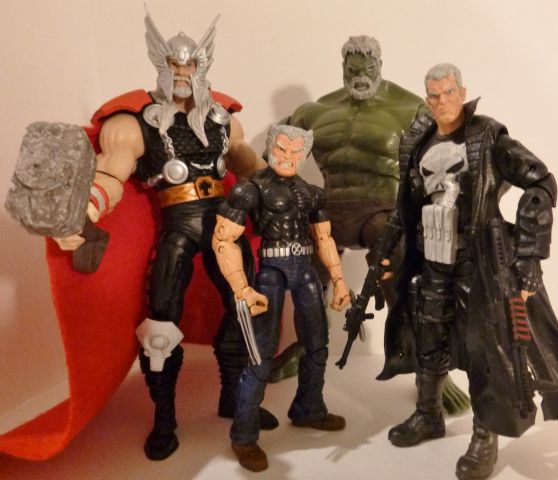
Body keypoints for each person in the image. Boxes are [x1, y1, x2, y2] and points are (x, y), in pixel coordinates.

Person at [54, 12, 274, 461]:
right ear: (160, 62)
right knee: (160, 327)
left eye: (191, 64)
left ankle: (235, 397)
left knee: (242, 309)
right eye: (175, 64)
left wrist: (289, 201)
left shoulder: (223, 119)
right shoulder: (134, 121)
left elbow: (252, 168)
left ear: (203, 65)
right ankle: (165, 418)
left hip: (225, 222)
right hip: (178, 225)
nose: (183, 73)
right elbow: (111, 171)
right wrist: (84, 211)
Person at [382, 63, 558, 480]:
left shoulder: (486, 137)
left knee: (485, 351)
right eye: (433, 95)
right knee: (428, 336)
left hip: (477, 263)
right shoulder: (418, 141)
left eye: (448, 92)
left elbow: (541, 182)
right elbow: (405, 204)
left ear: (462, 93)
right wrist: (390, 251)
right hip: (430, 259)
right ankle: (428, 413)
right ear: (426, 100)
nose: (442, 101)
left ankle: (485, 434)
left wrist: (529, 252)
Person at [276, 35, 469, 415]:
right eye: (353, 69)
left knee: (405, 279)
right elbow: (276, 160)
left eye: (367, 68)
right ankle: (307, 345)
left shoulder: (410, 108)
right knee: (304, 275)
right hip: (329, 209)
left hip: (384, 211)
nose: (360, 75)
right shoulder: (312, 112)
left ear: (379, 66)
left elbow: (447, 163)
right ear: (342, 68)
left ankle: (431, 370)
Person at [213, 124, 351, 472]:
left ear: (304, 155)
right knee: (260, 356)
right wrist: (242, 288)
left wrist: (339, 280)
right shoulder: (251, 188)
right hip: (271, 271)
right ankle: (244, 435)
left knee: (318, 345)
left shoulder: (311, 194)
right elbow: (223, 239)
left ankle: (309, 408)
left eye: (295, 152)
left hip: (304, 269)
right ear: (270, 148)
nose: (288, 157)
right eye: (281, 149)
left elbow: (324, 239)